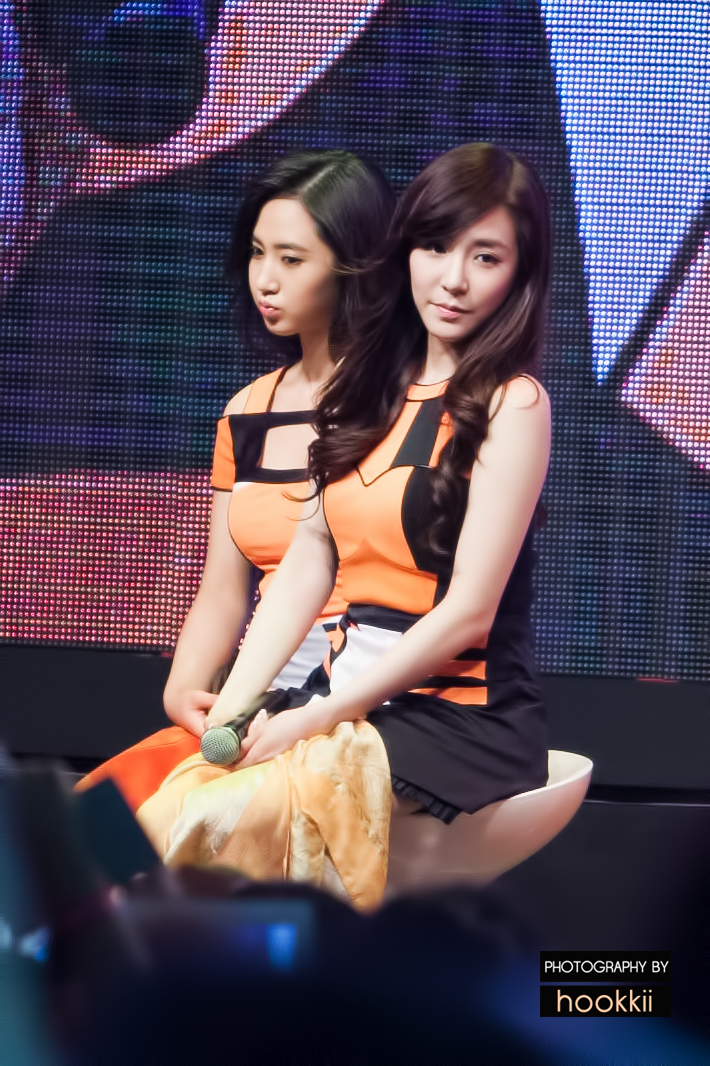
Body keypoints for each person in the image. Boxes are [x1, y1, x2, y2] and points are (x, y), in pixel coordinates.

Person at [138, 142, 551, 899]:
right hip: (343, 697)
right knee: (160, 808)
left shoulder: (511, 403)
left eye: (486, 257)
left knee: (220, 821)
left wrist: (317, 719)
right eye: (435, 247)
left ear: (520, 275)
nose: (453, 279)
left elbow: (469, 612)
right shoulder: (366, 389)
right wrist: (233, 713)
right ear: (406, 252)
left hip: (455, 716)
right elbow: (307, 561)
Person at [77, 150, 395, 811]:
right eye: (257, 253)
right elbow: (223, 590)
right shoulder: (247, 411)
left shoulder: (404, 406)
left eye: (292, 259)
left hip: (365, 696)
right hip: (256, 697)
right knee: (94, 817)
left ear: (353, 265)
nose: (265, 280)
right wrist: (183, 690)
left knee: (169, 825)